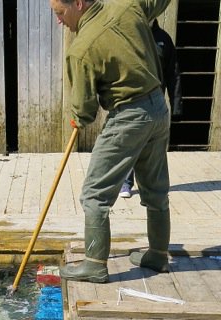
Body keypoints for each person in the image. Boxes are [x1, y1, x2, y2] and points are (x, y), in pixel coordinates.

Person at [50, 0, 173, 282]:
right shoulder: (128, 5)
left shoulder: (81, 49)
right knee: (155, 188)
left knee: (94, 195)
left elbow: (85, 111)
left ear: (78, 4)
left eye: (59, 12)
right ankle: (157, 255)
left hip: (128, 118)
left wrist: (77, 118)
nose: (59, 21)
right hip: (158, 108)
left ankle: (94, 265)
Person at [120, 20, 182, 198]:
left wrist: (176, 105)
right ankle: (126, 183)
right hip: (131, 102)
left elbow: (173, 73)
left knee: (153, 149)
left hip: (156, 104)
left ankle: (152, 187)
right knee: (131, 143)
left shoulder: (163, 39)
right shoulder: (130, 34)